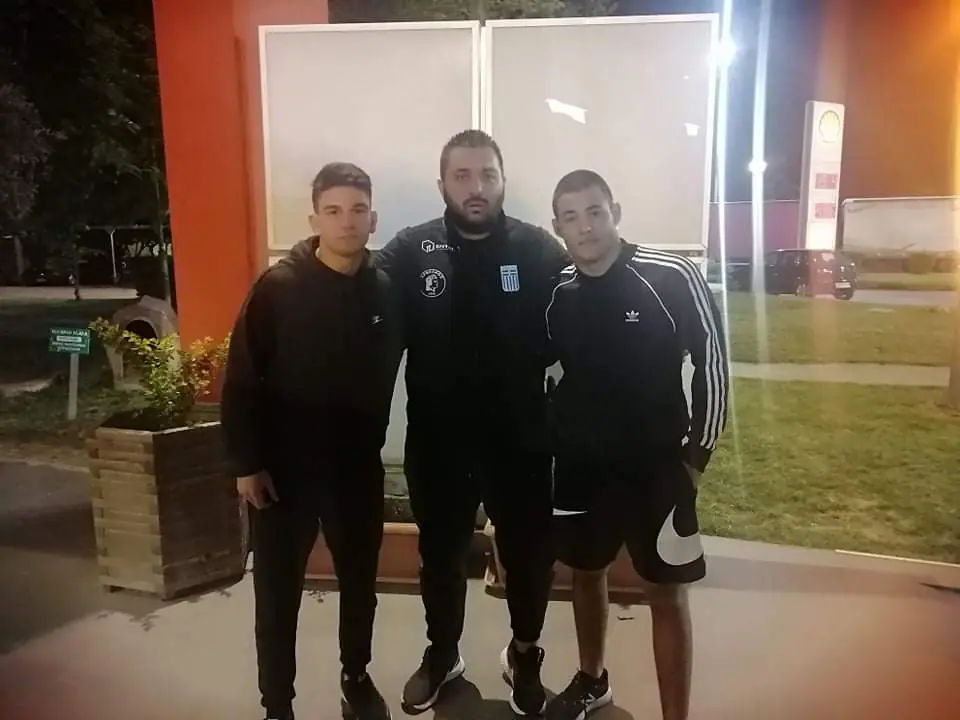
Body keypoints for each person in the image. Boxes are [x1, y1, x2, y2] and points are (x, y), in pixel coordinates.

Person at [374, 129, 569, 716]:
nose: (475, 187)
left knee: (529, 556)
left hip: (521, 440)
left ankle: (525, 655)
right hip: (439, 442)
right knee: (440, 556)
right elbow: (353, 289)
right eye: (462, 176)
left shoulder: (538, 251)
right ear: (442, 184)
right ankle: (443, 654)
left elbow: (591, 303)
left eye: (487, 174)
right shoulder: (412, 250)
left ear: (503, 180)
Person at [543, 170, 729, 720]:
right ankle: (592, 680)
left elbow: (713, 367)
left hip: (657, 468)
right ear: (558, 228)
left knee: (666, 593)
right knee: (586, 574)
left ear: (615, 212)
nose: (585, 227)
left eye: (594, 212)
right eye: (571, 217)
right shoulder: (555, 291)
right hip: (580, 469)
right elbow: (540, 372)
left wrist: (695, 459)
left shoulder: (670, 275)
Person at [221, 163, 403, 720]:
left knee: (360, 586)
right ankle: (278, 705)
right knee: (277, 597)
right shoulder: (279, 288)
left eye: (357, 210)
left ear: (373, 218)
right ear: (314, 219)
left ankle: (356, 676)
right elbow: (241, 378)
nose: (347, 221)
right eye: (334, 210)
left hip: (356, 469)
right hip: (283, 473)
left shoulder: (386, 291)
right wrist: (247, 463)